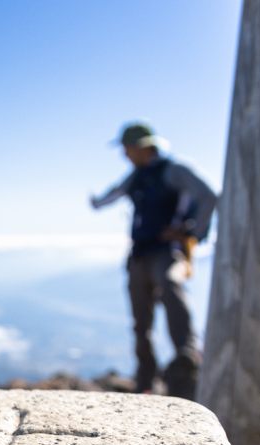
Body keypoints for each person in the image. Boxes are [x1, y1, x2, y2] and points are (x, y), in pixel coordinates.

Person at [90, 122, 217, 399]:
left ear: (142, 147)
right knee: (140, 317)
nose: (124, 154)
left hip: (168, 250)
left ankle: (187, 355)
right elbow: (113, 193)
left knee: (171, 285)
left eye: (127, 148)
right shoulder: (137, 176)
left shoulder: (174, 170)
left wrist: (191, 230)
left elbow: (209, 195)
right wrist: (96, 202)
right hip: (140, 253)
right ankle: (146, 377)